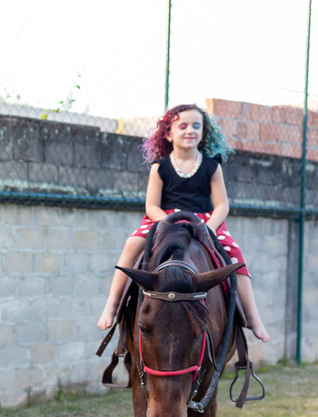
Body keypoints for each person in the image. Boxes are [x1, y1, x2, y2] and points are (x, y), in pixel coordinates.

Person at [97, 103, 270, 342]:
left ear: (203, 133)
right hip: (164, 219)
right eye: (183, 126)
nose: (190, 130)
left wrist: (209, 227)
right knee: (132, 244)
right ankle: (113, 304)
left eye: (196, 126)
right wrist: (167, 222)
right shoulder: (159, 167)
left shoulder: (212, 166)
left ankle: (252, 316)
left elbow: (222, 205)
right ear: (168, 133)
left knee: (234, 254)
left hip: (204, 220)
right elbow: (151, 206)